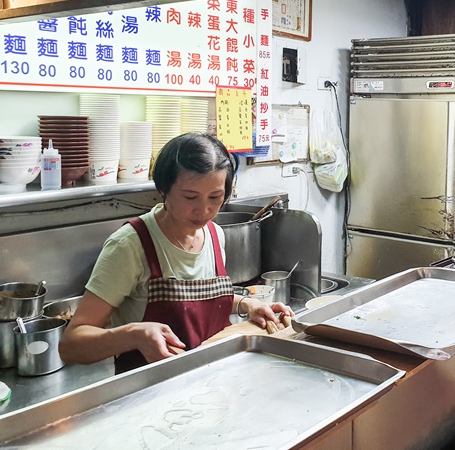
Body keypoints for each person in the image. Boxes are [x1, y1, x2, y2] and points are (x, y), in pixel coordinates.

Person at [60, 133, 294, 373]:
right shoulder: (130, 245)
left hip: (210, 384)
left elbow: (201, 299)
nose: (203, 210)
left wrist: (248, 304)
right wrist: (132, 335)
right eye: (190, 197)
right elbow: (72, 345)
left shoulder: (214, 235)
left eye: (215, 197)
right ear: (164, 188)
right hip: (149, 392)